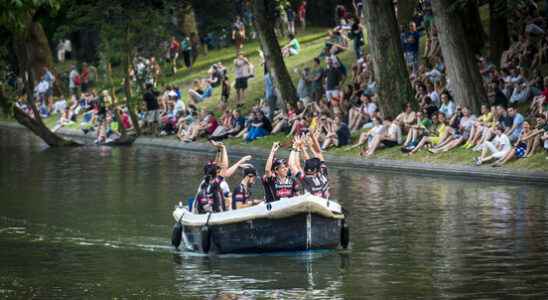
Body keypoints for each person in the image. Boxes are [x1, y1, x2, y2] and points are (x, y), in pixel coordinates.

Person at [290, 133, 330, 198]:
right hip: (324, 201)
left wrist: (295, 147)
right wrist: (309, 144)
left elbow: (293, 165)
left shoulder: (306, 179)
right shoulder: (323, 171)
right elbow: (318, 153)